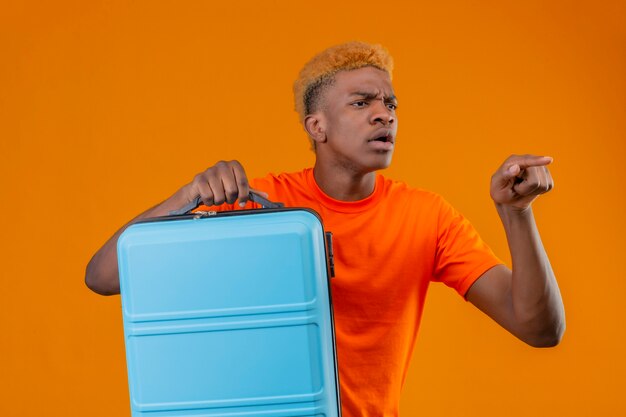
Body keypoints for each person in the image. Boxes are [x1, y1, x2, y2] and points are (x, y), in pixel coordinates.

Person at [86, 41, 565, 417]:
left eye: (391, 103)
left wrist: (516, 214)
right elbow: (103, 276)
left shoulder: (427, 216)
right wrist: (186, 197)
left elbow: (540, 329)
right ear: (317, 127)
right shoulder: (253, 204)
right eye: (361, 103)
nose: (385, 114)